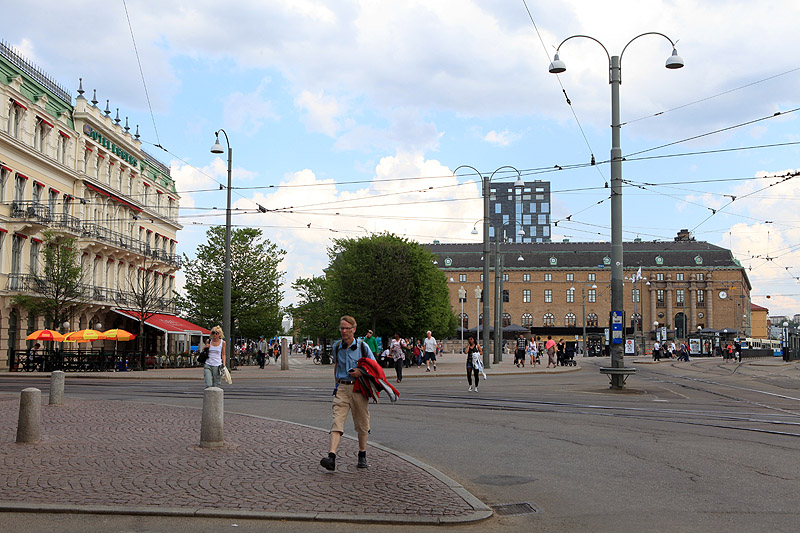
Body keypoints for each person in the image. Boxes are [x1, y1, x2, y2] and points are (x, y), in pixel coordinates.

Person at [320, 315, 375, 472]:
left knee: (362, 423)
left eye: (347, 328)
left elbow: (373, 366)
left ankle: (362, 455)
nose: (344, 331)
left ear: (354, 330)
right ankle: (331, 457)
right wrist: (336, 384)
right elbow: (337, 366)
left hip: (359, 388)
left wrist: (360, 371)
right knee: (337, 421)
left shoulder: (363, 347)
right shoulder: (337, 346)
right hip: (342, 388)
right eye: (342, 328)